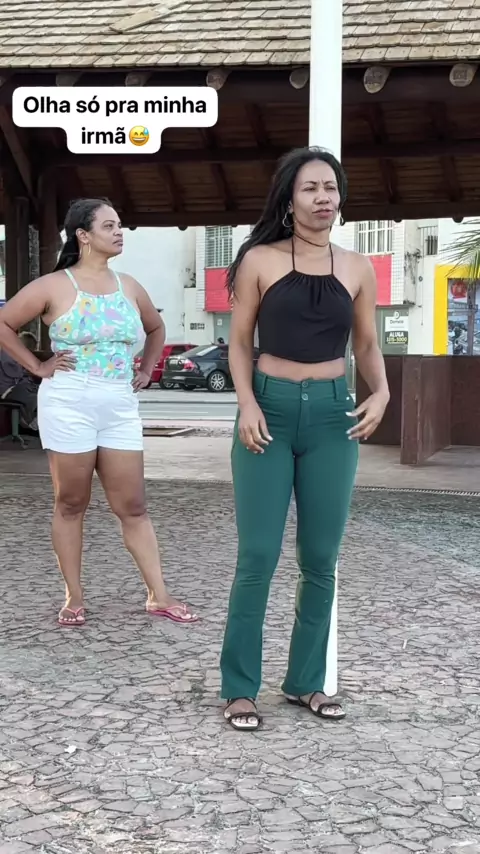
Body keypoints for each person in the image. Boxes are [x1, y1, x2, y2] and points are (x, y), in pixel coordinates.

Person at [220, 147, 389, 731]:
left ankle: (306, 682)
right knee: (258, 556)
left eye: (331, 188)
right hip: (267, 411)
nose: (323, 198)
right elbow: (238, 342)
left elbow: (366, 344)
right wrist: (246, 403)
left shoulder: (358, 267)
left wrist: (381, 393)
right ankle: (239, 688)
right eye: (311, 188)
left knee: (321, 558)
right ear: (289, 200)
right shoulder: (260, 259)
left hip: (333, 418)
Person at [0, 197, 198, 628]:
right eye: (109, 226)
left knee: (134, 505)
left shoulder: (129, 286)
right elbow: (4, 323)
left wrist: (146, 369)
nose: (119, 232)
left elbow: (155, 327)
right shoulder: (54, 286)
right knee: (71, 502)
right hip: (69, 400)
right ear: (83, 236)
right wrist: (36, 366)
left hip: (119, 403)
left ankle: (159, 595)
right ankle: (74, 596)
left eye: (119, 225)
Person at [0, 331, 39, 430]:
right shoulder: (7, 355)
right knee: (33, 397)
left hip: (18, 386)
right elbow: (15, 374)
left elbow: (23, 376)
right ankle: (31, 420)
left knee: (41, 391)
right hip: (7, 390)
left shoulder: (18, 358)